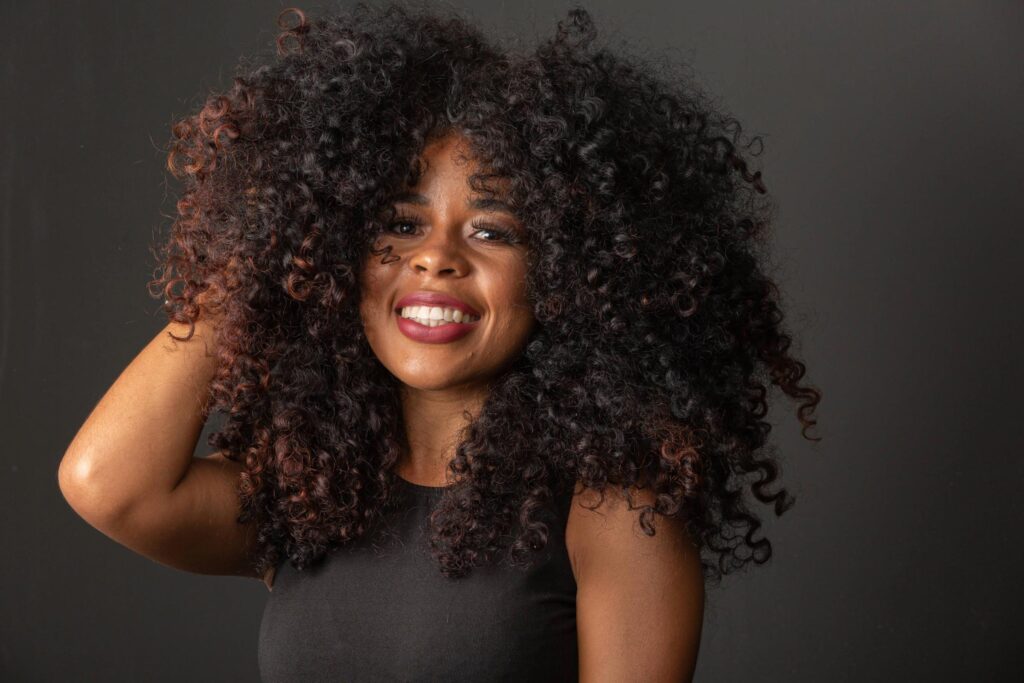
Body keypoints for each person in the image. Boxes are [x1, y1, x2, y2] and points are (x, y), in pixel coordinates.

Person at [58, 2, 821, 681]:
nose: (435, 257)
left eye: (492, 230)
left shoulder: (616, 508)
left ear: (571, 275)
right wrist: (267, 265)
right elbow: (108, 483)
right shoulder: (316, 489)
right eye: (398, 223)